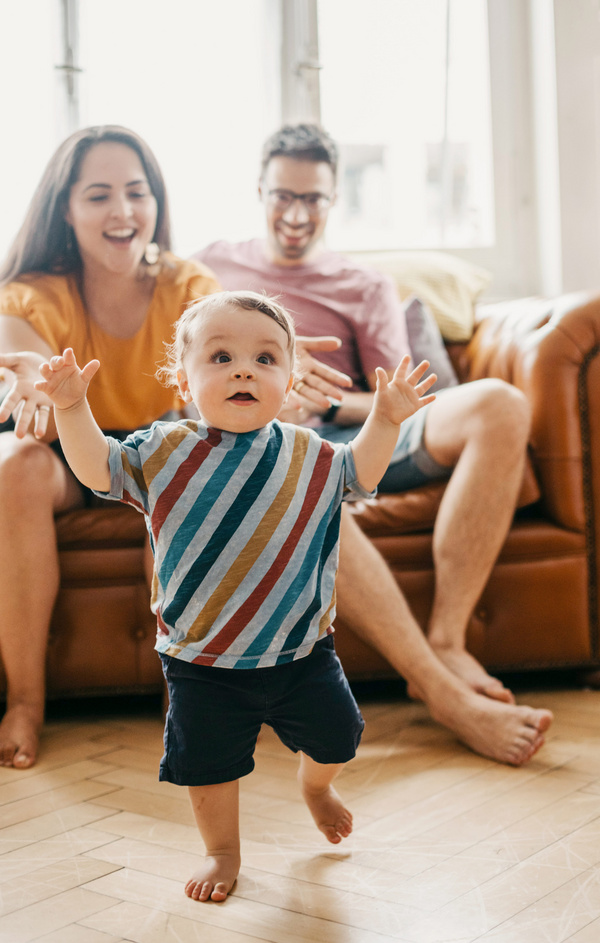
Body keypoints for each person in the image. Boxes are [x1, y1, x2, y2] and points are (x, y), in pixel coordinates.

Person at [34, 289, 437, 902]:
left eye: (266, 359)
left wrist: (384, 420)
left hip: (302, 650)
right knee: (210, 767)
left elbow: (364, 473)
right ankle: (222, 850)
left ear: (291, 376)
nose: (244, 369)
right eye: (220, 357)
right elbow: (98, 470)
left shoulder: (312, 454)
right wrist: (71, 408)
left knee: (339, 739)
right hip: (202, 660)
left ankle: (316, 787)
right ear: (182, 380)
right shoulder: (163, 451)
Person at [192, 122, 554, 766]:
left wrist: (326, 398)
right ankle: (444, 695)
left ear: (333, 201)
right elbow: (188, 371)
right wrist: (270, 394)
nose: (297, 214)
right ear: (259, 191)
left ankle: (446, 638)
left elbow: (403, 392)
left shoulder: (364, 284)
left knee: (501, 402)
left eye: (313, 200)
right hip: (272, 442)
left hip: (359, 429)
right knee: (303, 475)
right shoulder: (212, 267)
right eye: (283, 196)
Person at [0, 125, 221, 769]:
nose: (123, 212)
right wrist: (35, 385)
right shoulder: (35, 291)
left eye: (136, 192)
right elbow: (24, 354)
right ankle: (24, 702)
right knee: (13, 466)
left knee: (183, 462)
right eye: (98, 195)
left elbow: (225, 350)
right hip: (70, 442)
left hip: (156, 447)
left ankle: (188, 702)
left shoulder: (188, 286)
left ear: (156, 203)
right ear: (65, 211)